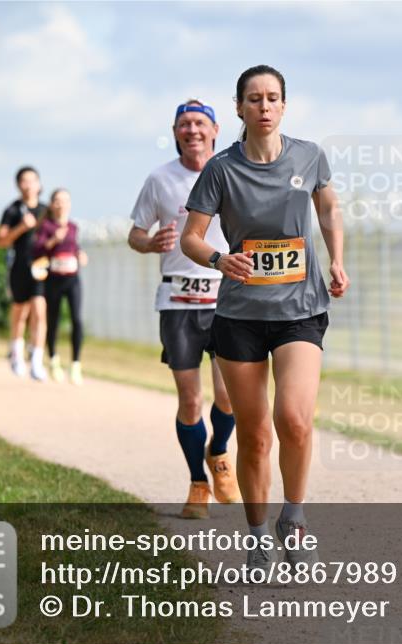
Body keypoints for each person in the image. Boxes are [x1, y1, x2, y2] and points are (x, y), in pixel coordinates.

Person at [181, 65, 349, 571]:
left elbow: (328, 211)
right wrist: (218, 259)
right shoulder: (221, 168)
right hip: (241, 315)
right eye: (254, 99)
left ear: (284, 105)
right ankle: (256, 535)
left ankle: (293, 520)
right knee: (254, 434)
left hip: (301, 308)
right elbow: (192, 236)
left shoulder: (310, 155)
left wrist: (338, 259)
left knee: (294, 420)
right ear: (239, 108)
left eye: (273, 98)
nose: (265, 106)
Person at [129, 98, 240, 520]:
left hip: (226, 297)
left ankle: (219, 453)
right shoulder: (160, 179)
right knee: (191, 400)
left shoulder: (231, 170)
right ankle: (197, 483)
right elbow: (135, 234)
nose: (192, 130)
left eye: (200, 123)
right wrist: (149, 242)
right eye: (184, 124)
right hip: (177, 301)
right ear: (176, 133)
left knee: (228, 396)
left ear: (215, 130)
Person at [32, 189, 87, 385]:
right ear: (52, 204)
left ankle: (75, 364)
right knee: (53, 321)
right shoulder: (46, 226)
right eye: (58, 200)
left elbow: (74, 246)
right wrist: (53, 239)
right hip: (53, 279)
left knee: (77, 320)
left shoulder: (73, 226)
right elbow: (37, 249)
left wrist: (81, 254)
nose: (61, 204)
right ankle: (53, 360)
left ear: (69, 204)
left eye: (65, 200)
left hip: (72, 279)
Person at [0, 166, 48, 380]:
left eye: (32, 180)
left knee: (39, 309)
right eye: (24, 181)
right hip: (19, 266)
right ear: (19, 185)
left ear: (39, 184)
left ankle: (36, 360)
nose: (28, 185)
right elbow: (1, 241)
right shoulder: (12, 210)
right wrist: (20, 228)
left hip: (41, 268)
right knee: (20, 312)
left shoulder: (47, 211)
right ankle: (16, 354)